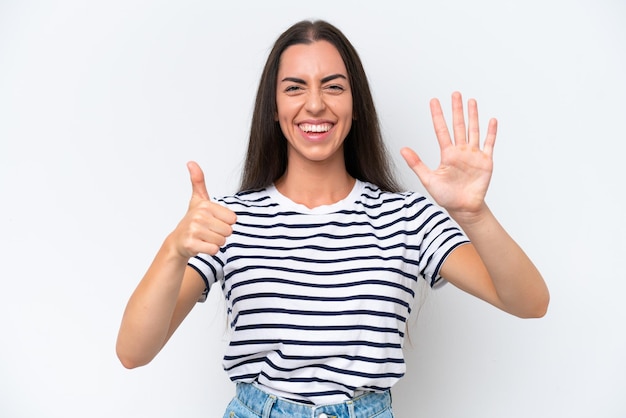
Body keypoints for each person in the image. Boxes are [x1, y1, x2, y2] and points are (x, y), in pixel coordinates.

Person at [116, 19, 549, 418]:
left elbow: (529, 303)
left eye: (333, 86)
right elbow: (134, 352)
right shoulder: (229, 221)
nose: (315, 104)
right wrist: (174, 249)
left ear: (355, 104)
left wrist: (474, 214)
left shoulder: (406, 217)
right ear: (273, 107)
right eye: (294, 88)